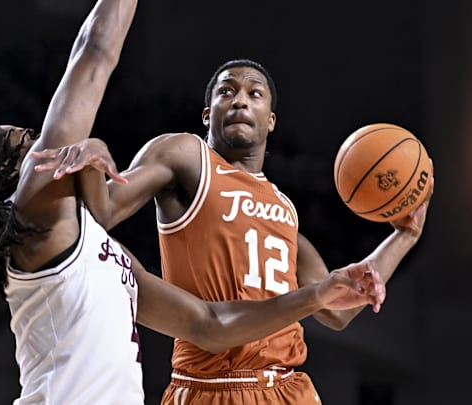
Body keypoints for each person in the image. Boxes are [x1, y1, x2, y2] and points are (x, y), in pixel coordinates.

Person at [0, 2, 388, 404]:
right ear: (10, 179)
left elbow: (210, 326)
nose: (40, 146)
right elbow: (93, 54)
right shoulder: (36, 218)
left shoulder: (99, 250)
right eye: (25, 144)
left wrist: (316, 296)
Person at [32, 58, 433, 404]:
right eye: (227, 91)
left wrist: (405, 235)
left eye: (255, 94)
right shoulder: (187, 156)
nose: (240, 99)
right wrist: (91, 157)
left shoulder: (284, 208)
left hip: (290, 389)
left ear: (271, 121)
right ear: (207, 113)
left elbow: (338, 308)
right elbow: (103, 212)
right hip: (210, 386)